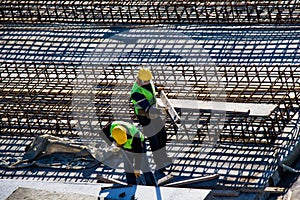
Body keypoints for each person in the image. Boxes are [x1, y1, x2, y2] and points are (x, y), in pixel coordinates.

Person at [130, 67, 172, 172]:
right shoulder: (136, 92)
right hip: (144, 115)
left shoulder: (147, 81)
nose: (149, 82)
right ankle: (159, 163)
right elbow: (148, 108)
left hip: (153, 111)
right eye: (146, 81)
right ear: (139, 80)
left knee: (162, 134)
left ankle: (163, 155)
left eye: (149, 80)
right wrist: (163, 110)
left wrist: (158, 89)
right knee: (154, 138)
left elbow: (151, 87)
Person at [102, 120, 157, 186]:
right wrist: (111, 142)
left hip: (138, 148)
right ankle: (131, 184)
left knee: (145, 167)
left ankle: (152, 185)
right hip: (125, 150)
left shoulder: (135, 136)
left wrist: (137, 168)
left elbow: (138, 155)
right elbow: (102, 133)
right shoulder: (111, 127)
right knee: (128, 168)